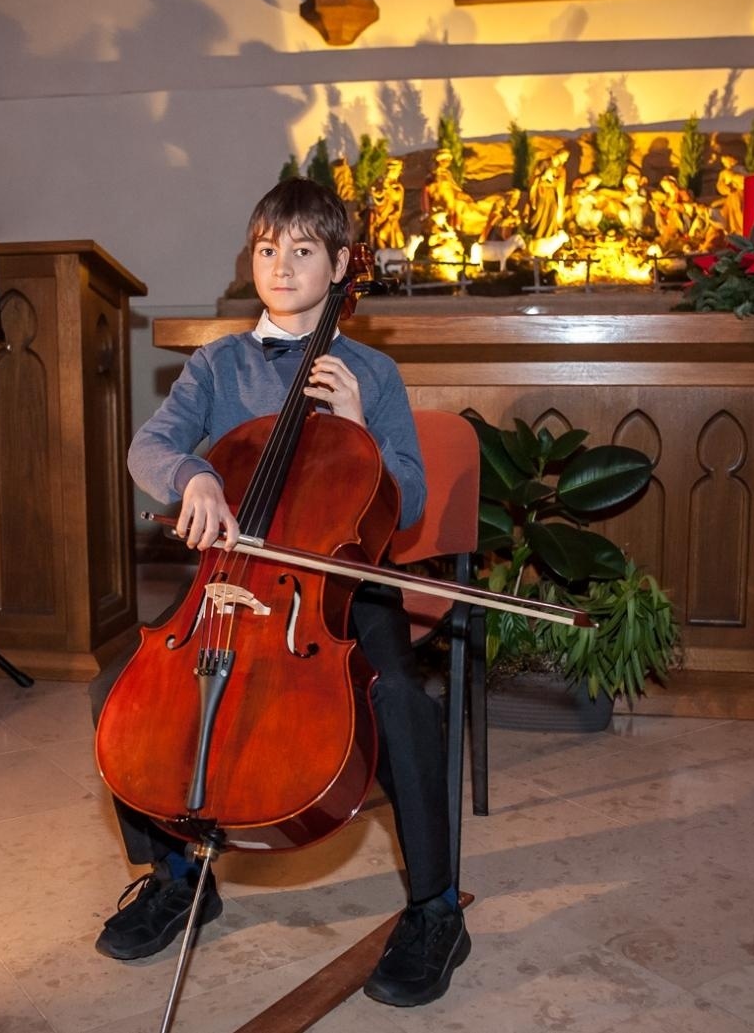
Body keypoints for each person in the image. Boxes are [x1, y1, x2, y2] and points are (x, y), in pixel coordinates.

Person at [90, 177, 469, 1008]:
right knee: (120, 690)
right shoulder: (217, 364)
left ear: (339, 266)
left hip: (341, 586)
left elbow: (405, 495)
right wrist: (193, 478)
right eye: (269, 249)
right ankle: (179, 875)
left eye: (303, 250)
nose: (283, 265)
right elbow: (149, 446)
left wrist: (360, 424)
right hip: (233, 581)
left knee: (402, 701)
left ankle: (436, 908)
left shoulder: (372, 371)